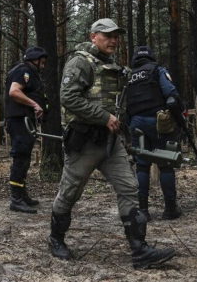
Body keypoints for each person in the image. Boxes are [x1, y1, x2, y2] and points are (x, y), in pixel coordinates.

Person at [48, 18, 175, 269]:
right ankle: (56, 239)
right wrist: (104, 117)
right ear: (93, 36)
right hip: (84, 141)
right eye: (108, 35)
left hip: (110, 142)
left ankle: (140, 250)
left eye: (117, 36)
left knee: (129, 188)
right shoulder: (80, 62)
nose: (114, 40)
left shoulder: (113, 66)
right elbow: (68, 97)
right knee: (70, 193)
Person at [126, 45, 183, 221]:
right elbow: (171, 94)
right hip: (159, 122)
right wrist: (179, 115)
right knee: (166, 163)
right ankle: (170, 209)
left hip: (136, 122)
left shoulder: (129, 77)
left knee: (142, 165)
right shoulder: (158, 70)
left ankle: (143, 210)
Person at [4, 46, 49, 214]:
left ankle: (22, 195)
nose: (43, 66)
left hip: (26, 121)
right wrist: (34, 104)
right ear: (34, 60)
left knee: (24, 158)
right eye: (42, 63)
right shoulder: (22, 70)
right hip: (18, 121)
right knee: (20, 158)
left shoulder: (31, 73)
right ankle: (16, 199)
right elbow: (14, 92)